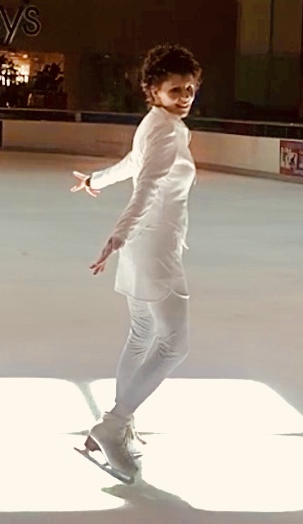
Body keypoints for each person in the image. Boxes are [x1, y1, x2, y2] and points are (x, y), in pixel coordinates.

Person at [71, 44, 202, 480]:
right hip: (154, 246)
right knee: (174, 344)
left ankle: (119, 422)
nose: (184, 96)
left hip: (145, 244)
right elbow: (146, 186)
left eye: (190, 88)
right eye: (175, 89)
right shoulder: (166, 130)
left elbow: (133, 163)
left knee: (143, 332)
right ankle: (112, 425)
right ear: (153, 90)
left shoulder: (158, 124)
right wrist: (120, 233)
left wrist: (97, 179)